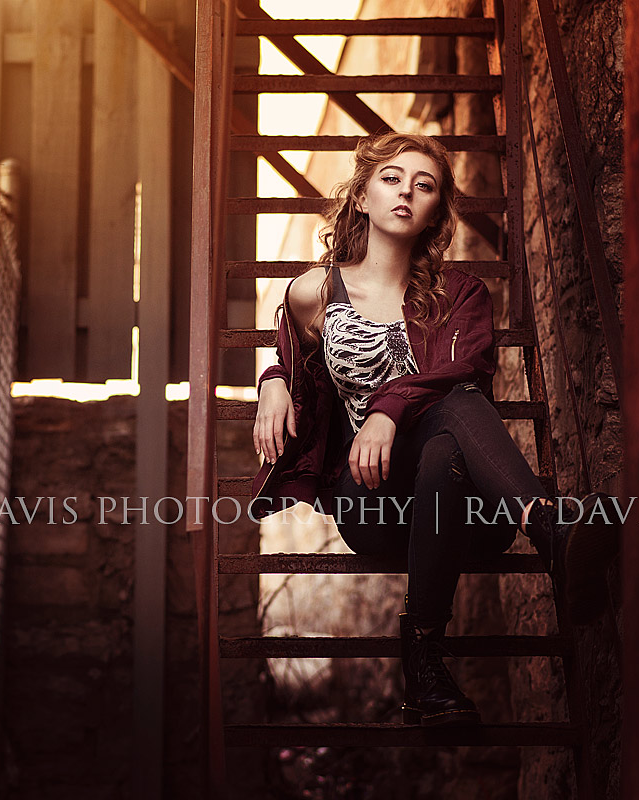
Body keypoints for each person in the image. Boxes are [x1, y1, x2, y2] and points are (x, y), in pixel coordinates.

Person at [249, 131, 620, 727]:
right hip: (369, 504)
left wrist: (387, 410)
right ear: (363, 197)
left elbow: (464, 368)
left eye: (424, 187)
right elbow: (296, 368)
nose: (407, 193)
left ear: (433, 213)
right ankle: (550, 530)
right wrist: (270, 382)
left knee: (453, 415)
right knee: (451, 409)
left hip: (463, 512)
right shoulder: (314, 293)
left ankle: (423, 660)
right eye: (392, 179)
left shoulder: (463, 294)